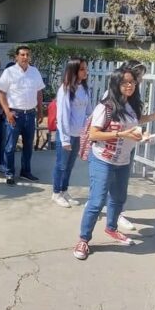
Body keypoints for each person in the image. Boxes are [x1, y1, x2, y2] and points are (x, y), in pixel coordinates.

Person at [73, 65, 155, 260]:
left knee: (118, 198)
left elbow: (134, 121)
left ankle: (111, 228)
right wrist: (120, 134)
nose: (130, 85)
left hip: (123, 160)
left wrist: (154, 116)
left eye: (132, 82)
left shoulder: (133, 105)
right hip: (103, 158)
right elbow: (94, 133)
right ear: (117, 83)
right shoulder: (106, 106)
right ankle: (83, 239)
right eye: (125, 82)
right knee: (97, 201)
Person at [102, 59, 147, 232]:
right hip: (112, 147)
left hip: (128, 145)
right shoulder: (112, 95)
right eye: (138, 75)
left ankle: (117, 213)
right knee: (107, 182)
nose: (139, 80)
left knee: (120, 184)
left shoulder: (133, 95)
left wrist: (153, 117)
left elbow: (134, 118)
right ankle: (108, 211)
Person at [0, 45, 45, 185]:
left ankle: (25, 171)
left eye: (27, 55)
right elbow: (1, 92)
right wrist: (7, 112)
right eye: (22, 55)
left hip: (30, 115)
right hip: (14, 115)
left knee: (28, 146)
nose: (25, 57)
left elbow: (39, 92)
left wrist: (40, 111)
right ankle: (9, 173)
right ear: (16, 57)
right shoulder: (9, 72)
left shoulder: (34, 72)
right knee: (10, 146)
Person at [52, 58, 92, 208]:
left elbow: (88, 111)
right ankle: (56, 193)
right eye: (82, 69)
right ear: (74, 71)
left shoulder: (85, 88)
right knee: (61, 165)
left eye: (85, 68)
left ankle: (64, 190)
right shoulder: (65, 89)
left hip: (78, 134)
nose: (85, 71)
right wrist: (65, 139)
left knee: (69, 166)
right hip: (66, 135)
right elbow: (62, 116)